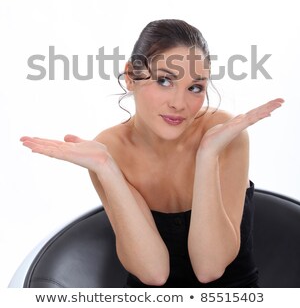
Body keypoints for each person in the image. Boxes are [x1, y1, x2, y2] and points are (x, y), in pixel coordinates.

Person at [20, 19, 284, 288]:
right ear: (131, 78)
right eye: (164, 81)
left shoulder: (225, 135)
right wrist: (108, 170)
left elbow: (210, 268)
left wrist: (207, 156)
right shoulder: (109, 150)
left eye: (195, 87)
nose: (179, 104)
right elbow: (153, 274)